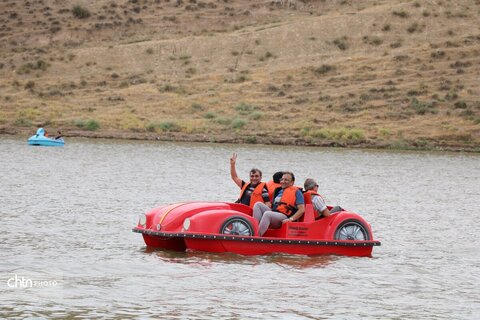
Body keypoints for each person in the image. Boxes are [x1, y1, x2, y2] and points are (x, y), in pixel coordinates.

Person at [252, 171, 305, 236]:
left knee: (267, 214)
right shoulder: (279, 191)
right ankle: (254, 230)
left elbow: (302, 209)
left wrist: (290, 219)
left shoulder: (297, 192)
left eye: (286, 180)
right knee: (258, 204)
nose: (283, 181)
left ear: (292, 182)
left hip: (284, 217)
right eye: (282, 179)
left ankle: (256, 236)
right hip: (274, 212)